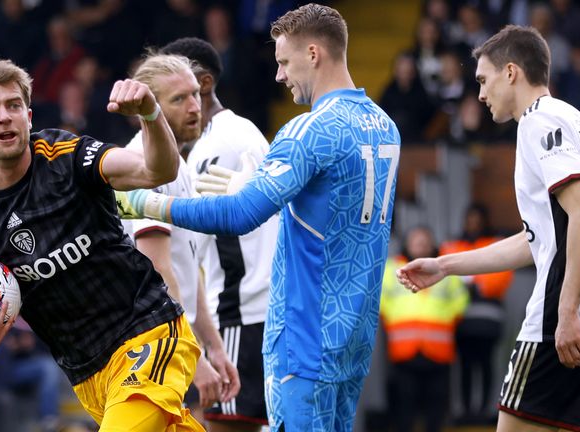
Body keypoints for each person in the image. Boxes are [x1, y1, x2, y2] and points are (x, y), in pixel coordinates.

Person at [119, 4, 401, 431]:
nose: (279, 76)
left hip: (304, 336)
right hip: (354, 334)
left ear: (313, 54)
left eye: (284, 62)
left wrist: (147, 204)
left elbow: (239, 215)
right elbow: (332, 212)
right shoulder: (384, 126)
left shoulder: (307, 131)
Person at [0, 57, 203, 431]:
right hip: (86, 374)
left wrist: (151, 114)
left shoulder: (67, 157)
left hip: (150, 332)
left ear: (28, 116)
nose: (5, 116)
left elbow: (156, 170)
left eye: (14, 105)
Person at [397, 25, 580, 432]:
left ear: (511, 72)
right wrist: (445, 266)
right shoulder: (578, 122)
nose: (479, 94)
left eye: (483, 79)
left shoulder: (537, 122)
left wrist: (566, 311)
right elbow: (538, 240)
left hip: (564, 321)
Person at [160, 36, 277, 432]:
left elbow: (192, 242)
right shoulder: (238, 132)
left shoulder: (219, 145)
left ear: (204, 84)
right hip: (257, 306)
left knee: (228, 427)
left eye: (175, 89)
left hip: (240, 309)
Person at [120, 52, 240, 421]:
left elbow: (188, 269)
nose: (195, 106)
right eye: (178, 99)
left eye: (195, 94)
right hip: (148, 346)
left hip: (172, 340)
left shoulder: (179, 165)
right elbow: (158, 269)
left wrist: (214, 346)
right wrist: (194, 356)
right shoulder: (141, 163)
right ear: (146, 110)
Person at [380, 226, 468, 432]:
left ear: (432, 244)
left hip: (438, 351)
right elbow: (380, 301)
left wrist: (444, 318)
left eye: (424, 241)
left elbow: (461, 302)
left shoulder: (446, 269)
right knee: (404, 407)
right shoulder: (392, 268)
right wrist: (394, 318)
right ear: (407, 244)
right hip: (404, 349)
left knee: (436, 408)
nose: (420, 245)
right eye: (416, 241)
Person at [439, 204, 513, 424]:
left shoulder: (495, 244)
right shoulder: (452, 245)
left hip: (488, 318)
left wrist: (471, 284)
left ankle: (485, 410)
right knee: (465, 365)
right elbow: (444, 278)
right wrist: (476, 282)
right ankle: (466, 411)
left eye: (477, 218)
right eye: (469, 218)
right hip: (460, 318)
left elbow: (499, 279)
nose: (473, 223)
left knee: (487, 363)